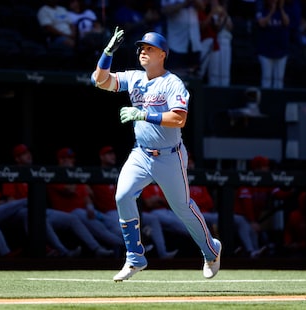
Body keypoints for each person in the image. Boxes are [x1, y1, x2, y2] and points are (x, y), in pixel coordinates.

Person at [91, 28, 222, 281]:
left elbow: (179, 119)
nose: (143, 51)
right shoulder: (134, 77)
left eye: (149, 48)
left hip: (169, 156)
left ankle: (211, 249)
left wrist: (142, 114)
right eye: (141, 48)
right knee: (123, 195)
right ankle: (135, 257)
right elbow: (100, 80)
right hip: (140, 154)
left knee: (182, 208)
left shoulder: (173, 83)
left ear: (162, 54)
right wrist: (107, 53)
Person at [90, 145, 177, 259]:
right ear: (102, 157)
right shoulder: (95, 173)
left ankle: (162, 252)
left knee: (152, 219)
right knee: (120, 228)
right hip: (108, 213)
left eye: (113, 153)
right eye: (108, 154)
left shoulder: (121, 172)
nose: (112, 156)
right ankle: (141, 242)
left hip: (123, 210)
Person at [2, 143, 83, 258]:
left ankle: (98, 250)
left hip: (40, 211)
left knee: (71, 218)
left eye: (28, 153)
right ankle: (61, 251)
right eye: (23, 154)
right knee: (32, 214)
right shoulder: (11, 173)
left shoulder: (35, 172)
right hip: (19, 213)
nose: (28, 155)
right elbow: (10, 202)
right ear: (17, 158)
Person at [46, 147, 124, 257]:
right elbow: (69, 190)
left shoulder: (76, 175)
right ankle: (123, 246)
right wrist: (74, 177)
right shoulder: (56, 173)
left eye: (71, 158)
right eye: (66, 159)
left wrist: (90, 206)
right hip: (68, 212)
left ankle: (130, 245)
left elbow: (88, 194)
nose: (70, 161)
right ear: (60, 160)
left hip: (85, 212)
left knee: (111, 224)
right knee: (99, 227)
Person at [160, 0, 205, 74]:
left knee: (194, 77)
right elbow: (164, 10)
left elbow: (202, 7)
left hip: (194, 41)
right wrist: (184, 3)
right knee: (176, 76)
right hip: (176, 43)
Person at [255, 0, 290, 89]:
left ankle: (278, 102)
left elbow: (286, 22)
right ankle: (266, 101)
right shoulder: (261, 10)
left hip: (281, 51)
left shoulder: (283, 10)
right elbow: (262, 23)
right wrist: (271, 12)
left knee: (279, 80)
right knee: (266, 79)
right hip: (265, 51)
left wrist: (281, 8)